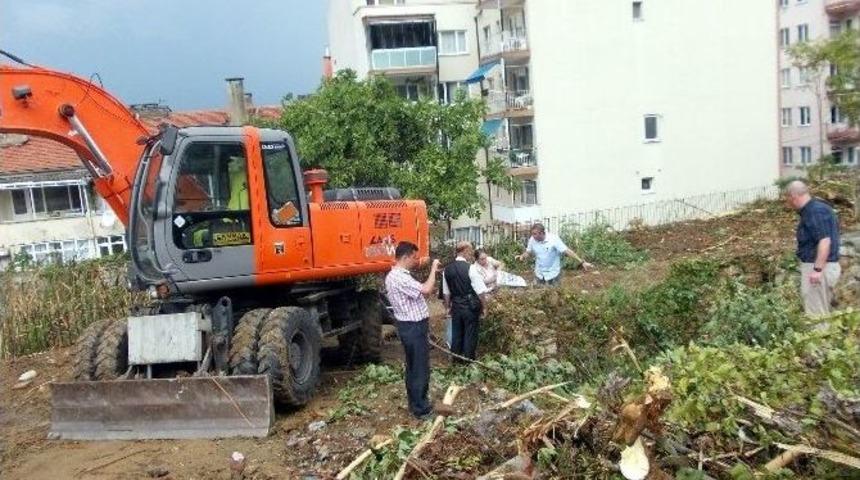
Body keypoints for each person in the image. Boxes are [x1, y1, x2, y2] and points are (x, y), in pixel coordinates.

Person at [384, 241, 442, 420]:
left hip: (408, 326)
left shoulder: (397, 275)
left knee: (413, 366)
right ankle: (421, 409)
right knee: (419, 368)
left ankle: (415, 402)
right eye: (414, 258)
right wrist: (433, 269)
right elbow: (426, 290)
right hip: (413, 327)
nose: (416, 261)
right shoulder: (399, 277)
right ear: (406, 256)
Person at [785, 180, 841, 317]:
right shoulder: (815, 209)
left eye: (787, 198)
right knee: (822, 313)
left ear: (793, 196)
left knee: (816, 316)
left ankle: (820, 338)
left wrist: (817, 270)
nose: (788, 202)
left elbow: (825, 241)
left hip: (818, 268)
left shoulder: (814, 211)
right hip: (820, 266)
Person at [442, 242, 489, 362]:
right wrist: (484, 307)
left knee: (456, 333)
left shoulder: (447, 270)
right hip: (470, 306)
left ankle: (456, 361)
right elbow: (480, 291)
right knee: (470, 334)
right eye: (470, 251)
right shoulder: (471, 268)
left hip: (456, 306)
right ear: (465, 251)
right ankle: (468, 362)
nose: (471, 254)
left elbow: (446, 293)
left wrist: (448, 308)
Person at [516, 223, 594, 285]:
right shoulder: (532, 239)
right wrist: (522, 256)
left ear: (542, 233)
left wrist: (581, 261)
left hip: (553, 274)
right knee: (539, 295)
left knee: (555, 297)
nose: (533, 236)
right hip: (539, 274)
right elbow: (528, 252)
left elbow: (566, 251)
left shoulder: (553, 239)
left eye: (535, 234)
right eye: (532, 234)